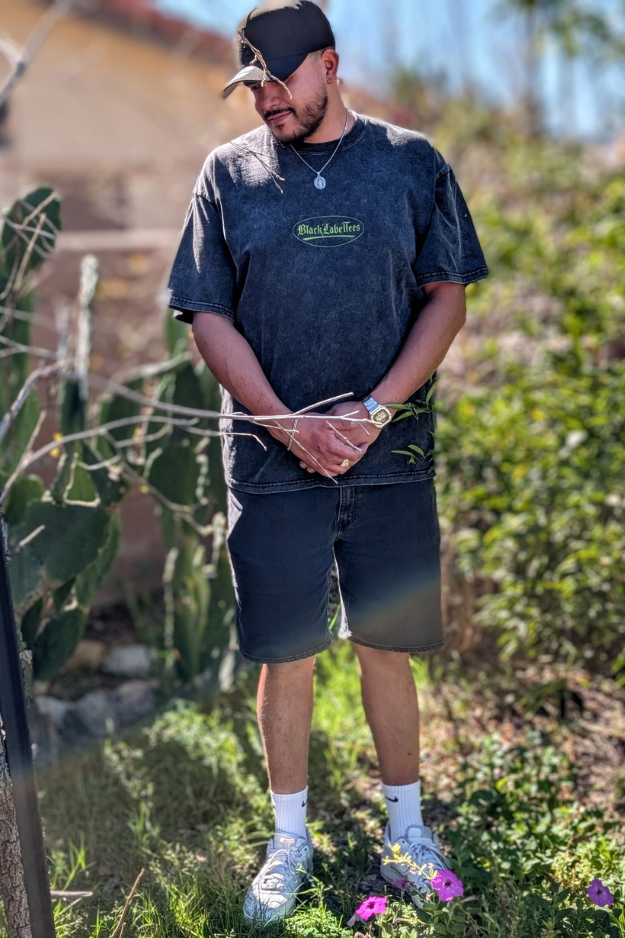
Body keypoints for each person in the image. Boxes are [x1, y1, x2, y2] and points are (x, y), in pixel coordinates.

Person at [167, 0, 488, 925]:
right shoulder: (227, 174)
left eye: (279, 80)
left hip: (391, 457)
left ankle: (407, 831)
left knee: (387, 645)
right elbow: (207, 315)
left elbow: (446, 296)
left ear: (330, 65)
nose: (265, 98)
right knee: (287, 653)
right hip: (271, 465)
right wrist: (285, 426)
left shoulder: (410, 163)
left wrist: (375, 411)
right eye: (253, 84)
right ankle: (289, 838)